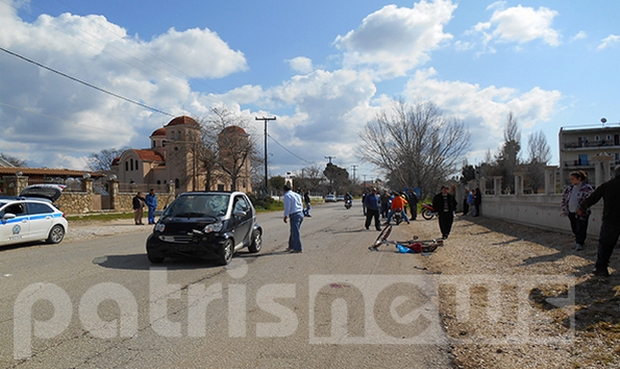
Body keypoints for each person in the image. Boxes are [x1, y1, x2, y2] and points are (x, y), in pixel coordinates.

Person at [578, 165, 620, 277]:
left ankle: (601, 269)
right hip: (611, 220)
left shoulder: (607, 186)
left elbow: (593, 198)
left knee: (605, 245)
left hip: (610, 220)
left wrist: (582, 207)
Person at [561, 170, 594, 251]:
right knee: (574, 227)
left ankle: (580, 242)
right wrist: (565, 209)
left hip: (582, 212)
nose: (571, 180)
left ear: (579, 178)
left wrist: (583, 208)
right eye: (571, 179)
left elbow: (590, 199)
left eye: (573, 178)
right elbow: (564, 198)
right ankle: (578, 241)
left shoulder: (587, 188)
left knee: (581, 227)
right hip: (571, 211)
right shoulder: (569, 188)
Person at [283, 184, 304, 253]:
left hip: (294, 214)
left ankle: (298, 248)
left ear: (284, 190)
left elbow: (287, 207)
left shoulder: (287, 195)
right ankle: (291, 246)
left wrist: (285, 215)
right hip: (300, 213)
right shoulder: (297, 195)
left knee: (295, 232)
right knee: (293, 231)